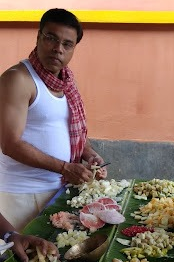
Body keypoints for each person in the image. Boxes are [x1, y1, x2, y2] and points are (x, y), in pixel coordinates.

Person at [0, 8, 107, 231]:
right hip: (22, 194)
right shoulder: (18, 79)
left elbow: (69, 130)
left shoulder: (67, 81)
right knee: (24, 261)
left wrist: (89, 154)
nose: (58, 49)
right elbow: (10, 144)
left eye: (67, 44)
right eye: (51, 38)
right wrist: (65, 167)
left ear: (74, 49)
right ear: (38, 37)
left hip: (58, 189)